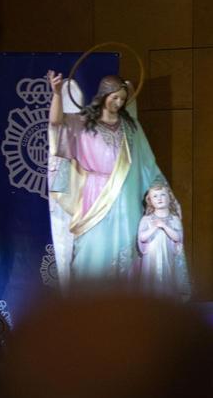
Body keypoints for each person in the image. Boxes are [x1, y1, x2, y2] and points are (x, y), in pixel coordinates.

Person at [45, 70, 186, 294]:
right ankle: (88, 307)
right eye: (114, 98)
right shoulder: (83, 123)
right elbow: (56, 123)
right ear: (103, 96)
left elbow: (148, 163)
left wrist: (162, 191)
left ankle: (125, 308)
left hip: (128, 195)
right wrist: (57, 94)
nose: (118, 103)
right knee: (94, 248)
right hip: (96, 195)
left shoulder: (131, 127)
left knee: (128, 248)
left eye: (122, 98)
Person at [137, 181, 190, 300]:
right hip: (151, 255)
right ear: (150, 200)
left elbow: (178, 237)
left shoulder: (174, 219)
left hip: (168, 255)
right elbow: (142, 237)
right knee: (151, 278)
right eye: (155, 196)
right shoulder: (146, 219)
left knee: (168, 277)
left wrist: (164, 226)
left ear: (169, 198)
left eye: (162, 195)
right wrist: (155, 226)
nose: (159, 198)